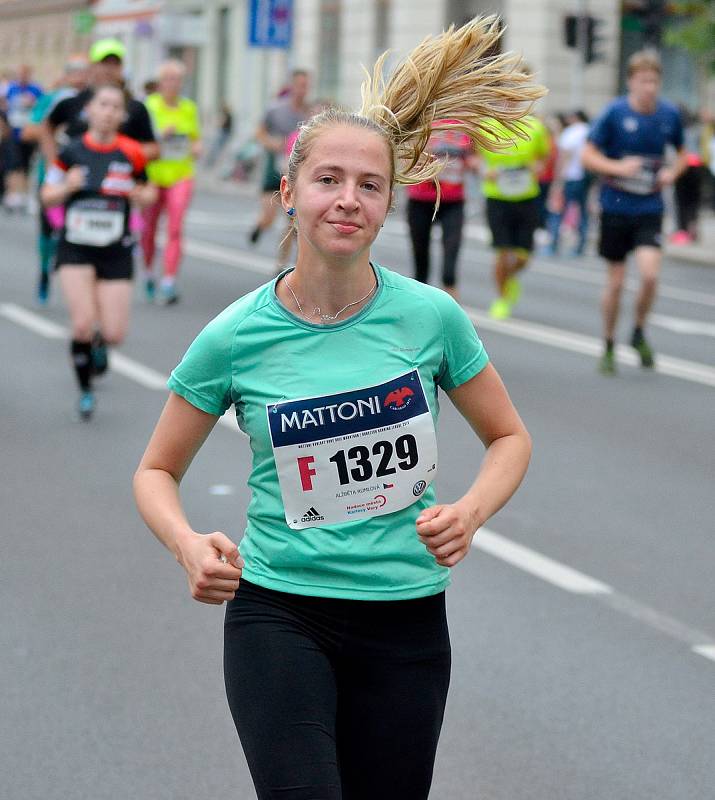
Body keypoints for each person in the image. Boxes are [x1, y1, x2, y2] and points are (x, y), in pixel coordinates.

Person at [134, 17, 540, 800]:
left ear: (389, 201)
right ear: (288, 192)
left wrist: (472, 511)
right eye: (327, 179)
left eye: (369, 184)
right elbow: (155, 468)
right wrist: (186, 543)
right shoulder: (235, 335)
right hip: (278, 616)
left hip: (406, 619)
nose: (346, 199)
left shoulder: (431, 318)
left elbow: (509, 437)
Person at [40, 84, 157, 419]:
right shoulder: (70, 153)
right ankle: (86, 390)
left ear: (121, 116)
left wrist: (139, 195)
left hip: (115, 248)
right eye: (102, 105)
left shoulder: (132, 152)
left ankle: (100, 345)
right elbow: (47, 195)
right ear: (89, 111)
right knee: (81, 325)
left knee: (115, 332)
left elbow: (148, 192)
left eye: (115, 107)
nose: (108, 112)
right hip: (75, 246)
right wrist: (67, 186)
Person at [582, 50, 686, 375]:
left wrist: (673, 172)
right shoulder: (615, 113)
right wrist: (617, 166)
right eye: (644, 81)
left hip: (649, 207)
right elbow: (587, 155)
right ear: (631, 82)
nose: (650, 87)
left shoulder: (669, 114)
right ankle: (609, 343)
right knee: (615, 283)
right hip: (615, 206)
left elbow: (683, 154)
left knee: (651, 275)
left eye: (654, 81)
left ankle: (638, 330)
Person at [21, 55, 89, 304]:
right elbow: (29, 131)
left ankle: (81, 281)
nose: (79, 77)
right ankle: (44, 270)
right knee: (48, 229)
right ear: (66, 74)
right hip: (52, 176)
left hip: (84, 178)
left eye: (84, 71)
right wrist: (55, 131)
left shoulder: (96, 101)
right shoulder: (53, 99)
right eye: (74, 71)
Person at [476, 114, 550, 319]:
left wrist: (538, 167)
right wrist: (484, 171)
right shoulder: (486, 127)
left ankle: (508, 278)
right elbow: (473, 157)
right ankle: (501, 299)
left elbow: (544, 157)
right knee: (502, 252)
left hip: (526, 197)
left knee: (524, 256)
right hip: (497, 197)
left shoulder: (535, 127)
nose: (508, 104)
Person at [140, 60, 202, 304]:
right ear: (159, 82)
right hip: (153, 175)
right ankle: (147, 272)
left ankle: (168, 281)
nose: (172, 84)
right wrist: (159, 136)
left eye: (176, 79)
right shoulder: (148, 107)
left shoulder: (188, 108)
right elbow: (140, 142)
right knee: (148, 230)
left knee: (175, 227)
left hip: (180, 173)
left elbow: (196, 138)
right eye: (167, 79)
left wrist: (197, 148)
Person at [406, 120, 477, 300]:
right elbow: (406, 155)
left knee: (452, 250)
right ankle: (420, 301)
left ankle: (450, 300)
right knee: (420, 254)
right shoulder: (423, 122)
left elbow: (476, 159)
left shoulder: (466, 128)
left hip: (453, 201)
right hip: (421, 199)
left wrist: (473, 164)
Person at [247, 69, 310, 259]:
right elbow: (258, 132)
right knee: (269, 216)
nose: (302, 90)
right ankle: (260, 226)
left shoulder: (309, 113)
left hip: (295, 171)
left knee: (293, 222)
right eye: (299, 85)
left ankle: (281, 264)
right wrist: (272, 144)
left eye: (306, 86)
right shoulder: (276, 109)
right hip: (273, 169)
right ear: (292, 86)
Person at [546, 109, 591, 256]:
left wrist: (558, 180)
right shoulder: (590, 130)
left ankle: (554, 245)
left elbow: (564, 156)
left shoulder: (571, 132)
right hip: (585, 177)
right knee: (582, 212)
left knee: (559, 211)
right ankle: (580, 246)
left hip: (570, 176)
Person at [3, 64, 43, 211]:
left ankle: (25, 194)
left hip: (29, 133)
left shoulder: (36, 89)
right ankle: (14, 194)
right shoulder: (11, 88)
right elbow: (5, 105)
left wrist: (33, 103)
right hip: (14, 131)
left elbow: (42, 106)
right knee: (14, 163)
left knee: (27, 163)